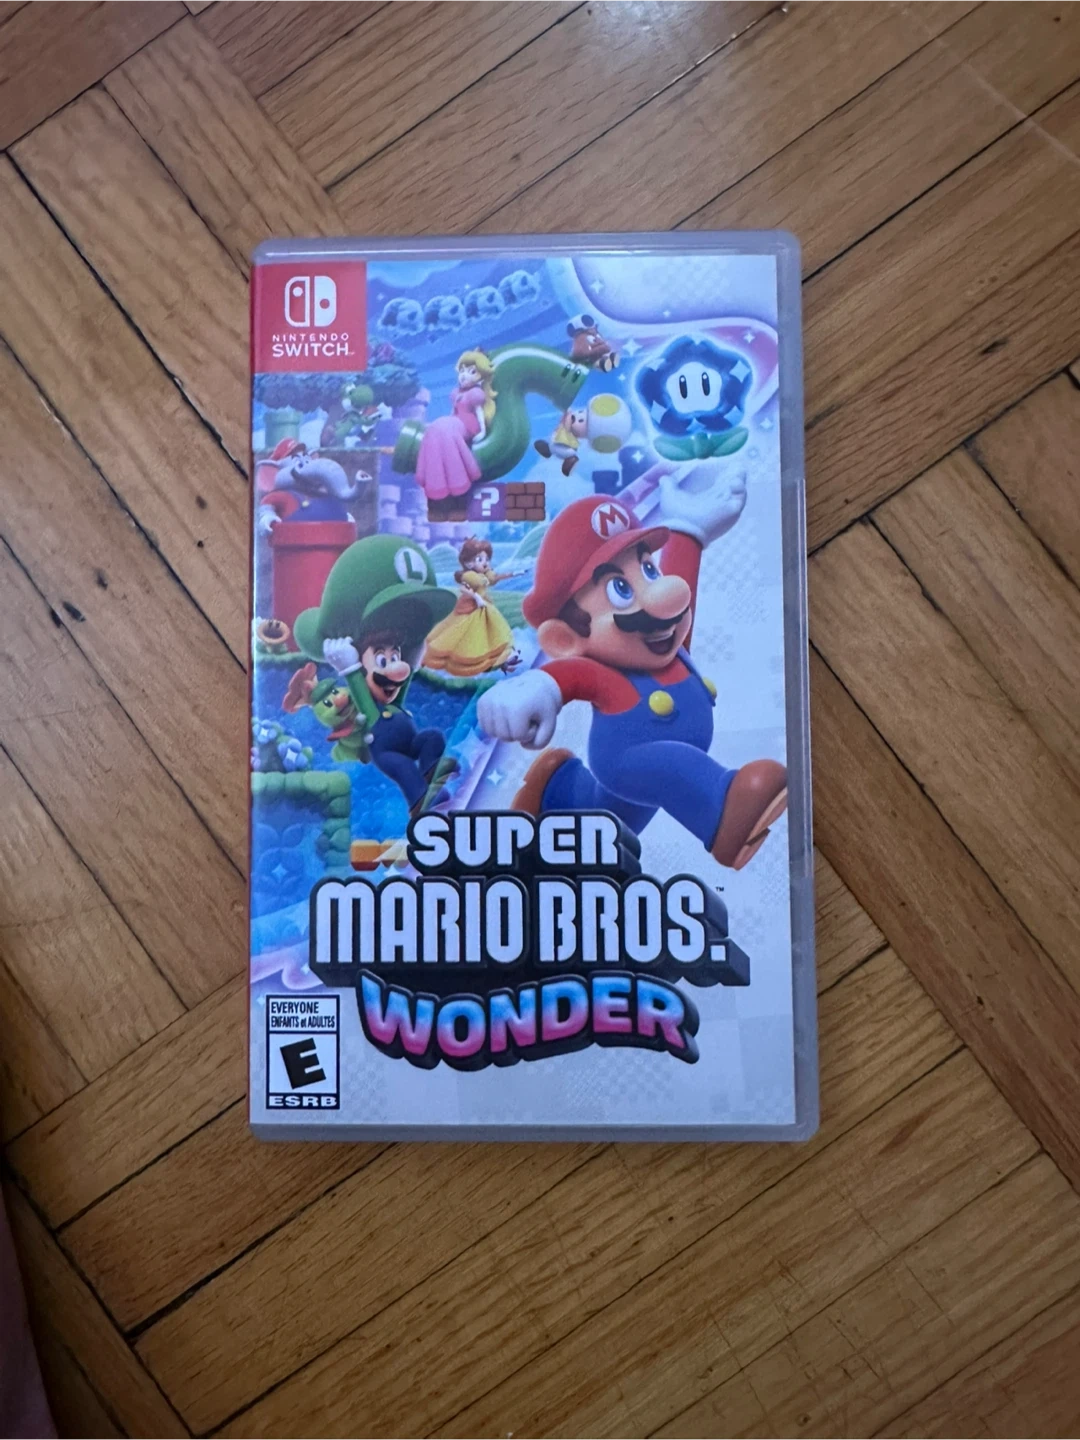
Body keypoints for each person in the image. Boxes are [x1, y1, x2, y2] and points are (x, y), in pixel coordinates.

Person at [477, 477, 788, 870]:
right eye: (621, 589)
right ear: (566, 637)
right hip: (627, 761)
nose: (661, 596)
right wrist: (538, 686)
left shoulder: (670, 646)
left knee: (611, 820)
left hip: (623, 789)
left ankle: (559, 794)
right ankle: (722, 812)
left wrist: (688, 529)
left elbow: (683, 589)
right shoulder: (607, 673)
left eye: (649, 570)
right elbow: (571, 677)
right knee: (674, 766)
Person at [422, 537, 520, 677]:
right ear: (469, 563)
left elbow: (494, 578)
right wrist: (476, 597)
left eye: (486, 559)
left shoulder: (484, 574)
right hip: (470, 607)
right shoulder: (469, 576)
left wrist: (512, 574)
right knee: (468, 634)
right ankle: (474, 662)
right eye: (480, 559)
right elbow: (464, 589)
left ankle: (496, 661)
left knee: (491, 633)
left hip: (484, 607)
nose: (485, 563)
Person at [414, 350, 496, 503]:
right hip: (455, 421)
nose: (464, 375)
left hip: (468, 425)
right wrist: (447, 419)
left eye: (472, 372)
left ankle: (458, 482)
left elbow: (479, 413)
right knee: (436, 427)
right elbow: (453, 411)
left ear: (481, 375)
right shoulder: (457, 392)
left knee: (446, 431)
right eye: (462, 371)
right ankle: (435, 484)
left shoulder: (476, 393)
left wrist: (482, 431)